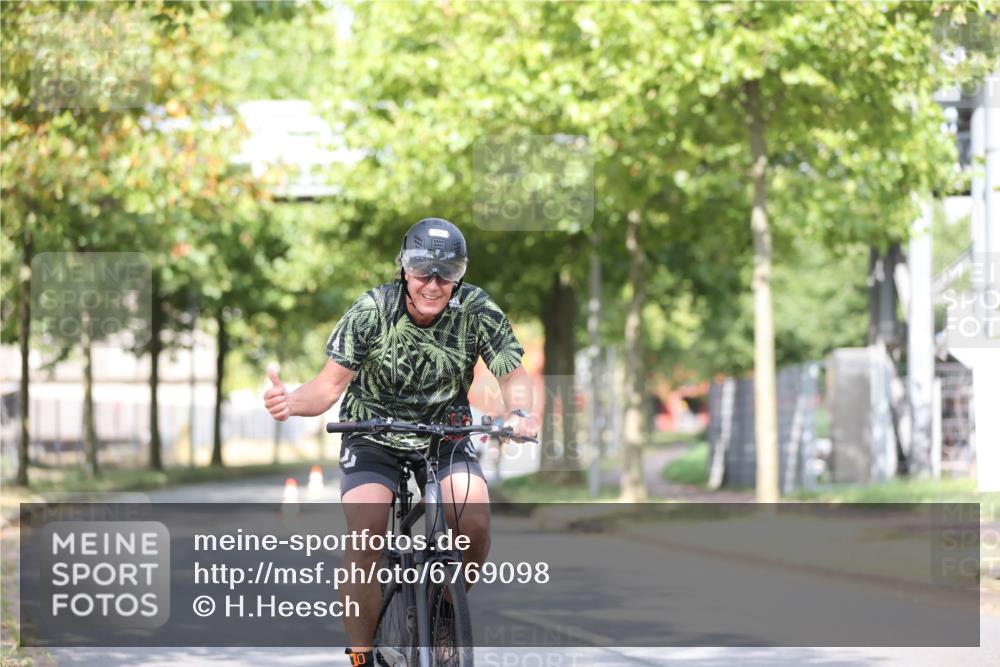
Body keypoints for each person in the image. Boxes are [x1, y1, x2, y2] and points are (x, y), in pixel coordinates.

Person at [263, 217, 538, 666]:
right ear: (404, 270)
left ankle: (448, 605)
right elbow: (328, 387)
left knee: (476, 521)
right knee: (368, 528)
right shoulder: (372, 310)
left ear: (459, 275)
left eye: (446, 273)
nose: (434, 283)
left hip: (445, 432)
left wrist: (522, 412)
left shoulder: (476, 309)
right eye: (423, 271)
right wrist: (290, 402)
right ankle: (361, 654)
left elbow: (512, 373)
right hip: (371, 433)